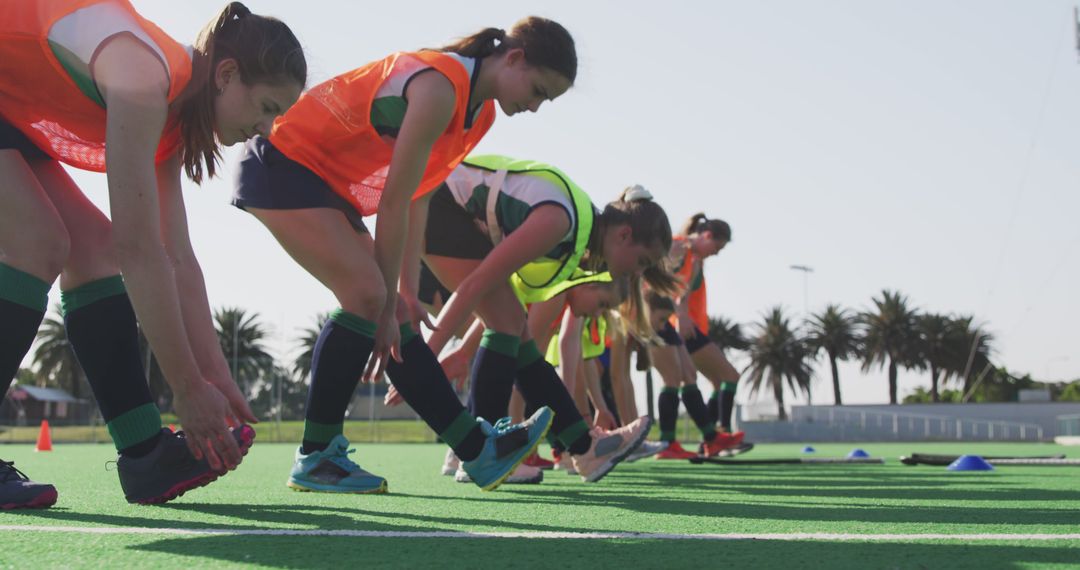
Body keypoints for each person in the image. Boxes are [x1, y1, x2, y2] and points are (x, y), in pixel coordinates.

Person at [232, 18, 577, 493]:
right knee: (368, 297)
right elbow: (393, 200)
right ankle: (316, 456)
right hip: (281, 164)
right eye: (538, 90)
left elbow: (420, 195)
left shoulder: (480, 113)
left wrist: (407, 293)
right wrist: (390, 292)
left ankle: (477, 452)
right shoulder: (439, 87)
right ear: (514, 58)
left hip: (322, 184)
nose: (536, 106)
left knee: (390, 310)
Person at [0, 1, 306, 507]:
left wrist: (213, 376)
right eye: (268, 108)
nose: (266, 130)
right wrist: (185, 388)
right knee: (39, 242)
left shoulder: (170, 110)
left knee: (93, 252)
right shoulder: (144, 81)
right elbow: (139, 248)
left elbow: (176, 257)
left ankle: (145, 457)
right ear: (227, 75)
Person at [419, 156, 677, 482]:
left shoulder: (574, 241)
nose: (638, 273)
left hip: (446, 207)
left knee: (515, 326)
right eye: (642, 261)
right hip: (437, 202)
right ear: (624, 235)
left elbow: (505, 302)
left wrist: (463, 352)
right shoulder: (560, 224)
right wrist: (426, 359)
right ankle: (484, 452)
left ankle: (583, 448)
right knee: (509, 325)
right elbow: (476, 287)